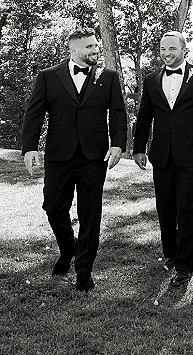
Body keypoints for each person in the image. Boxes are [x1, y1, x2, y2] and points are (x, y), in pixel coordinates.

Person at [21, 28, 127, 292]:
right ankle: (69, 247)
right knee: (54, 207)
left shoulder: (109, 78)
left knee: (90, 213)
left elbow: (118, 112)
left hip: (94, 155)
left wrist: (117, 144)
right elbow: (34, 114)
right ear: (73, 51)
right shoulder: (48, 77)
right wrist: (29, 148)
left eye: (96, 46)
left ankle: (84, 270)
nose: (95, 51)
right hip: (59, 154)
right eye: (89, 47)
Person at [133, 31, 193, 287]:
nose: (167, 54)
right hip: (161, 154)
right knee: (165, 209)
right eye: (162, 49)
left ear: (184, 50)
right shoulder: (151, 80)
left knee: (186, 208)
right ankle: (170, 254)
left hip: (191, 154)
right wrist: (139, 148)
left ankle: (184, 265)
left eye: (172, 49)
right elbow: (144, 116)